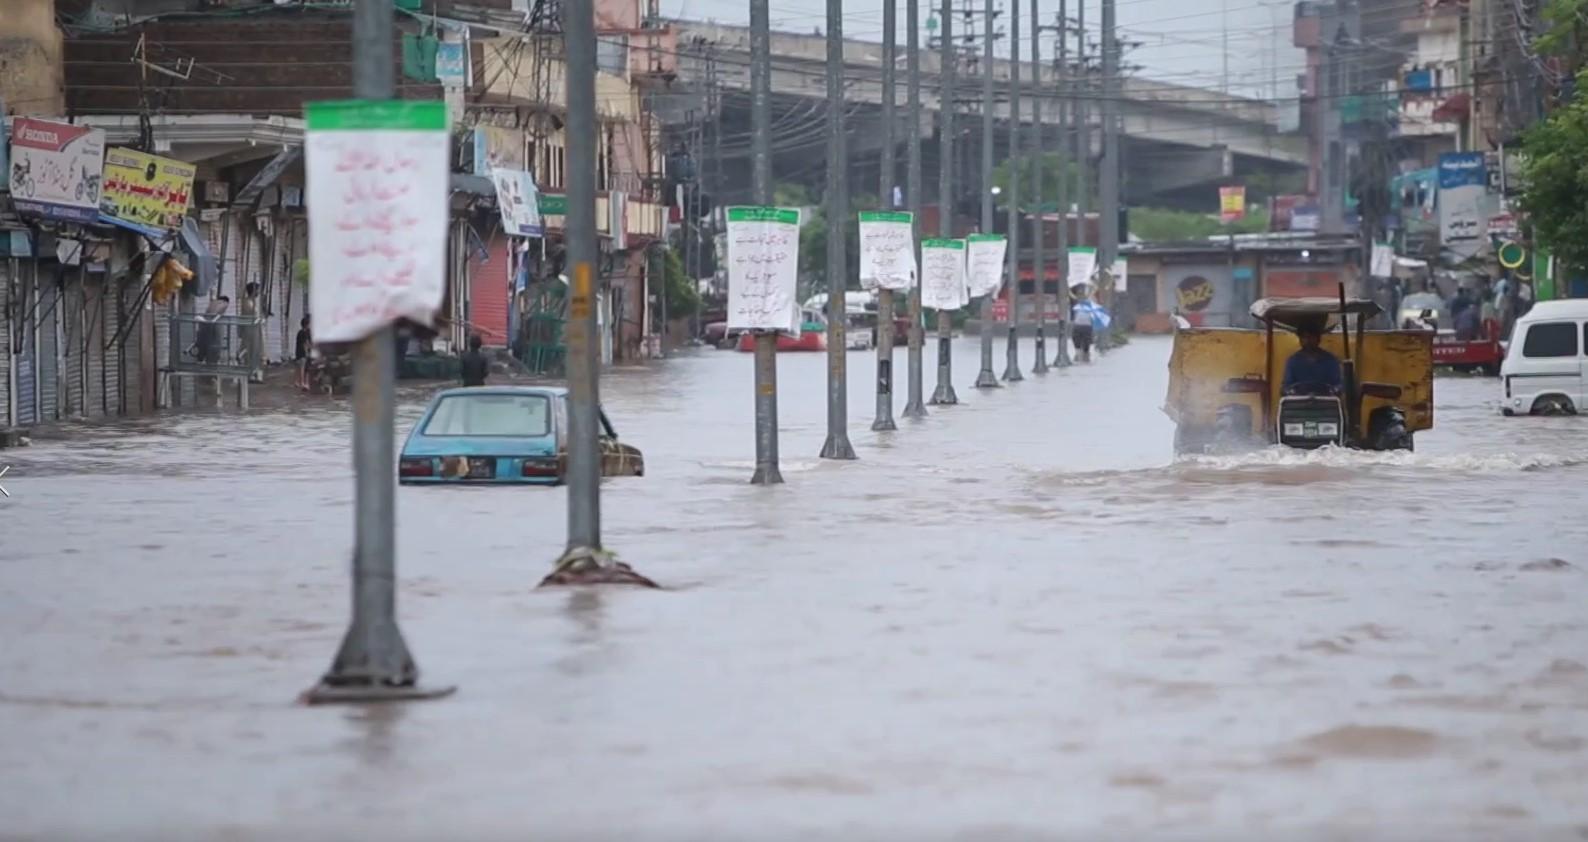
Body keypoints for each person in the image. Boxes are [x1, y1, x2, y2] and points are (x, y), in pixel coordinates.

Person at [1282, 324, 1343, 396]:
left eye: (1312, 337)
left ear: (1319, 339)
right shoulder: (1293, 361)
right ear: (1300, 340)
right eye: (1305, 337)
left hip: (1325, 402)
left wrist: (1336, 390)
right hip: (1299, 403)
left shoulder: (1330, 360)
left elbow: (1338, 384)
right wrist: (1289, 391)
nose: (1308, 340)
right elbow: (1287, 386)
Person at [1071, 297, 1095, 363]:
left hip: (1077, 326)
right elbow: (1093, 320)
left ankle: (1077, 354)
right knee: (1087, 340)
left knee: (1076, 339)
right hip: (1087, 327)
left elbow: (1074, 317)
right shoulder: (1091, 310)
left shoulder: (1077, 309)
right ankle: (1086, 354)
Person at [295, 315, 312, 390]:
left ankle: (297, 381)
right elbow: (305, 344)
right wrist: (307, 352)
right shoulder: (305, 333)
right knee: (303, 368)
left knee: (299, 367)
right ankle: (302, 383)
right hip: (302, 353)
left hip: (298, 352)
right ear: (307, 325)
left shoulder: (299, 332)